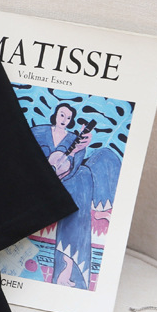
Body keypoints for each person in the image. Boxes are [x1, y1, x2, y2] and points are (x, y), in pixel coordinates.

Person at [31, 104, 121, 288]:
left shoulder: (74, 139)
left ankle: (69, 268)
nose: (64, 119)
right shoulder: (39, 131)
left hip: (66, 182)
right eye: (62, 115)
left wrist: (78, 150)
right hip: (35, 179)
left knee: (85, 175)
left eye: (68, 117)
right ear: (55, 114)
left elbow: (74, 166)